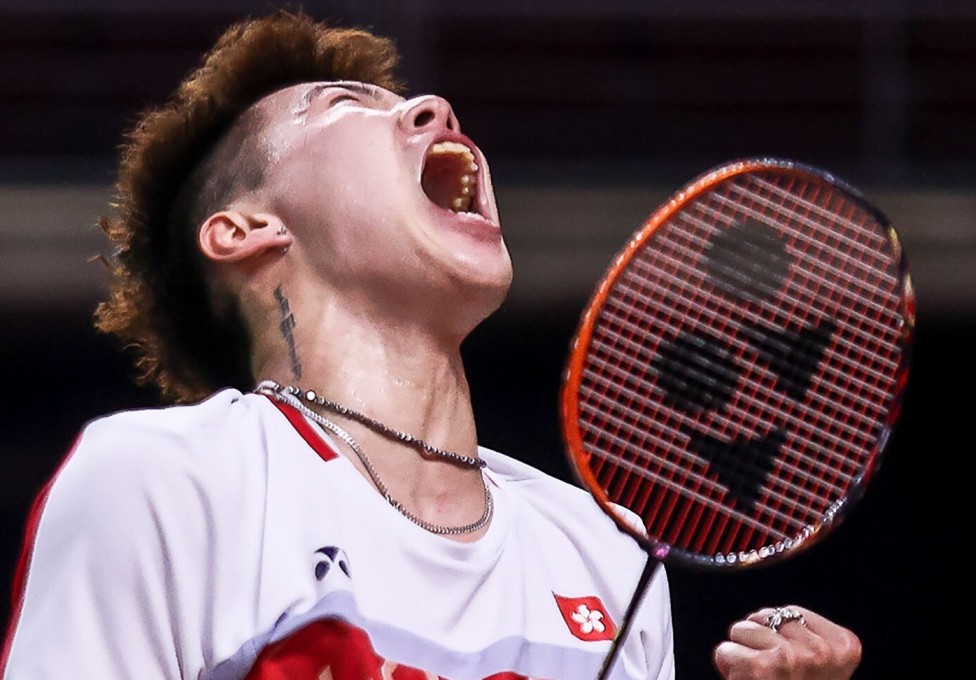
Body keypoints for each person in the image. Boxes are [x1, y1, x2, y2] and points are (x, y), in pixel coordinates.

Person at [0, 10, 861, 680]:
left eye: (408, 99)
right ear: (245, 230)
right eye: (341, 104)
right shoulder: (168, 482)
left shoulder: (602, 551)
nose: (433, 107)